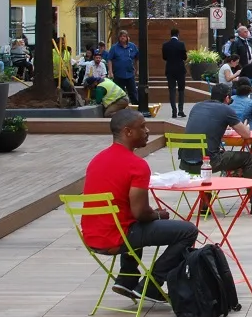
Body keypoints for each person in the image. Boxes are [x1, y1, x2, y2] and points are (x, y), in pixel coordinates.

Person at [81, 110, 198, 304]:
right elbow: (141, 213)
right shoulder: (136, 165)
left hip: (92, 235)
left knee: (134, 224)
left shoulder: (97, 160)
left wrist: (151, 215)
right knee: (187, 231)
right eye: (142, 126)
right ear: (128, 132)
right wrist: (158, 215)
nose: (147, 130)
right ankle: (151, 286)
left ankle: (127, 279)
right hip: (116, 237)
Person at [178, 83, 252, 214]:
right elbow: (246, 134)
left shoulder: (197, 106)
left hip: (185, 162)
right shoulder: (225, 109)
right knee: (247, 158)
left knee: (212, 154)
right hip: (207, 163)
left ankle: (204, 203)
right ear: (227, 98)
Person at [104, 30, 140, 105]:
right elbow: (109, 59)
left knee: (133, 92)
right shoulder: (114, 47)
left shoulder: (132, 46)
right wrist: (110, 72)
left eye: (124, 36)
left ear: (127, 38)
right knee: (119, 93)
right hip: (118, 74)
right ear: (119, 38)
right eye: (121, 36)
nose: (122, 38)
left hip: (130, 73)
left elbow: (137, 58)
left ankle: (136, 107)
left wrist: (137, 69)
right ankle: (120, 109)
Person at [162, 28, 188, 118]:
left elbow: (164, 57)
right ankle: (181, 110)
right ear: (178, 34)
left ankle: (174, 111)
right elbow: (184, 57)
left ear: (170, 34)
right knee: (181, 90)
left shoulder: (165, 45)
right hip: (180, 70)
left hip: (170, 70)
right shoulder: (181, 44)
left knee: (172, 90)